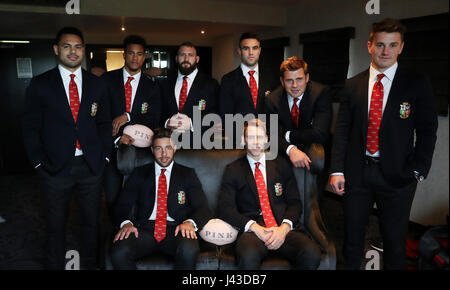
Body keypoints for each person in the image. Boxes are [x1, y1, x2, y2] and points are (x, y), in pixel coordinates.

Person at [329, 18, 438, 270]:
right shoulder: (352, 85)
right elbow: (342, 130)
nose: (385, 51)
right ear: (369, 45)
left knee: (394, 242)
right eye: (380, 45)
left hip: (398, 177)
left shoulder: (416, 83)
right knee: (352, 240)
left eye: (392, 45)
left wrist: (418, 169)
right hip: (357, 173)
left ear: (401, 47)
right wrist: (336, 170)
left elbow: (427, 130)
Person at [22, 27, 111, 270]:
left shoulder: (96, 84)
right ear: (56, 49)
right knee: (55, 225)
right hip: (54, 168)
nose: (73, 51)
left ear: (84, 50)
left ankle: (92, 265)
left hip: (91, 167)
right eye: (67, 46)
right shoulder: (41, 85)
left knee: (92, 224)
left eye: (78, 46)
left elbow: (103, 122)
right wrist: (39, 163)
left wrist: (103, 157)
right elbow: (30, 127)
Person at [218, 119, 321, 269]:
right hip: (253, 233)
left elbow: (295, 203)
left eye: (260, 137)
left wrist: (283, 229)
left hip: (282, 229)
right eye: (251, 137)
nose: (256, 142)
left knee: (311, 253)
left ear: (266, 139)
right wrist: (255, 228)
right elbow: (225, 208)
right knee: (247, 257)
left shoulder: (281, 165)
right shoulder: (233, 170)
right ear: (243, 140)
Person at [111, 128, 212, 270]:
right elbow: (121, 205)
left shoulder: (187, 174)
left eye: (168, 148)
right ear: (152, 150)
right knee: (119, 251)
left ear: (175, 148)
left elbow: (203, 208)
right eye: (159, 148)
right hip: (144, 230)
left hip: (176, 230)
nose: (164, 154)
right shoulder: (139, 173)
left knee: (189, 249)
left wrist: (189, 223)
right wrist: (126, 224)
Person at [102, 35, 161, 218]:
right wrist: (118, 137)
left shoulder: (152, 87)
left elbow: (153, 118)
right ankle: (114, 233)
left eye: (139, 54)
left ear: (144, 57)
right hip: (111, 149)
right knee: (112, 198)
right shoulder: (107, 80)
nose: (135, 58)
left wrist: (128, 116)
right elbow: (98, 116)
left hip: (140, 153)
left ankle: (133, 234)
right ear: (124, 55)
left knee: (137, 198)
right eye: (131, 53)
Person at [265, 56, 332, 169]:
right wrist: (290, 149)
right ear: (282, 81)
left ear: (307, 78)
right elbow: (271, 136)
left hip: (315, 152)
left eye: (299, 79)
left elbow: (320, 134)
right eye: (289, 80)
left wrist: (288, 135)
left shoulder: (320, 93)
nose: (295, 85)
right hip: (284, 152)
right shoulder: (272, 100)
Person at [159, 41, 219, 145]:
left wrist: (191, 124)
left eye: (190, 55)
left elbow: (215, 115)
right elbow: (158, 111)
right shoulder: (165, 83)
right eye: (182, 55)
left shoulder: (211, 84)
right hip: (169, 145)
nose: (186, 59)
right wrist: (167, 123)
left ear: (197, 59)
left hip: (199, 145)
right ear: (177, 58)